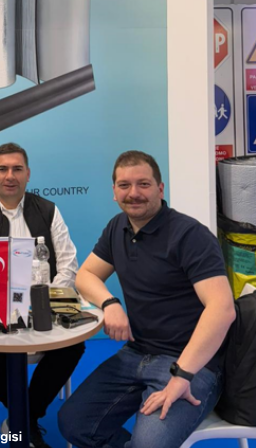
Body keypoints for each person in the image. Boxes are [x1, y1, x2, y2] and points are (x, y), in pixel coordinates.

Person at [57, 151, 236, 448]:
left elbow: (222, 309)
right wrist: (110, 303)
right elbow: (86, 275)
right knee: (74, 424)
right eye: (124, 185)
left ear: (160, 189)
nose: (134, 193)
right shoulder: (117, 227)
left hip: (191, 363)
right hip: (136, 353)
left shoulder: (190, 235)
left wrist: (182, 375)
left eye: (143, 184)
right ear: (114, 191)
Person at [0, 142, 83, 448]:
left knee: (73, 348)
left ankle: (24, 416)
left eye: (17, 169)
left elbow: (68, 265)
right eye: (3, 169)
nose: (9, 176)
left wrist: (44, 301)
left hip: (42, 311)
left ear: (28, 174)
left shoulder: (49, 211)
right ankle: (27, 418)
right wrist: (1, 300)